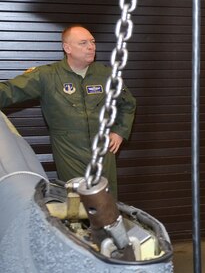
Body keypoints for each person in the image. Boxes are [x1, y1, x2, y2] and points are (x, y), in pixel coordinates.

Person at [0, 25, 136, 198]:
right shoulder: (46, 76)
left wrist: (119, 132)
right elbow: (8, 91)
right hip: (68, 151)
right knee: (75, 200)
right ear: (67, 48)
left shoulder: (107, 75)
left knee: (107, 200)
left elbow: (128, 103)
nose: (91, 46)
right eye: (83, 42)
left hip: (103, 151)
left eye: (92, 42)